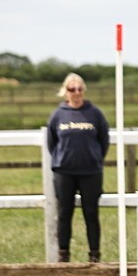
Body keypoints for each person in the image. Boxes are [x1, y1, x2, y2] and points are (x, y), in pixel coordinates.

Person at [46, 73, 109, 263]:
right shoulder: (58, 115)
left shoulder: (95, 113)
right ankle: (63, 255)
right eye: (72, 89)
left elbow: (103, 141)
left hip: (90, 172)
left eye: (80, 89)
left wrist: (95, 158)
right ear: (65, 92)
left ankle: (94, 255)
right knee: (65, 213)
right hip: (65, 172)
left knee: (91, 213)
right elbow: (51, 143)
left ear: (84, 90)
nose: (76, 93)